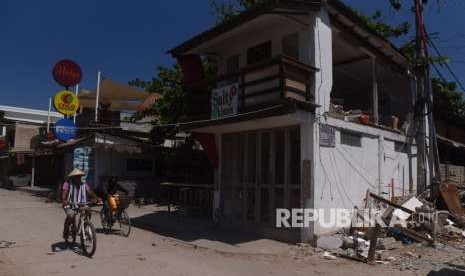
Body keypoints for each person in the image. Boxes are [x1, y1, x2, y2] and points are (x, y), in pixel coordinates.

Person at [61, 169, 97, 241]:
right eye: (76, 176)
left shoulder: (84, 184)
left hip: (81, 204)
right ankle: (66, 231)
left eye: (79, 176)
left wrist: (96, 198)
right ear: (73, 177)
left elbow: (89, 192)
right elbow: (64, 193)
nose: (78, 178)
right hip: (70, 204)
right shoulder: (67, 184)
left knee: (88, 211)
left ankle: (85, 225)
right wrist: (64, 200)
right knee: (70, 216)